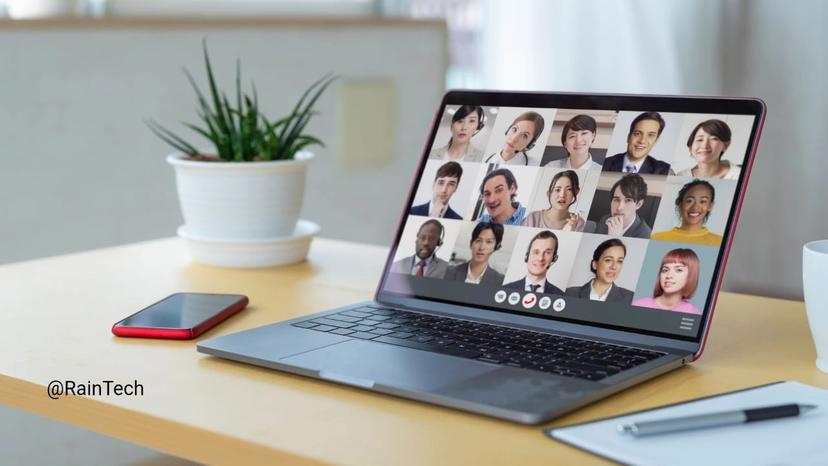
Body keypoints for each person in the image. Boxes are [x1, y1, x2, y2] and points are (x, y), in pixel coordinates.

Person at [651, 179, 722, 246]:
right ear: (680, 205)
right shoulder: (656, 238)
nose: (695, 207)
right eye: (689, 201)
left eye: (702, 201)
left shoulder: (719, 242)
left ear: (710, 206)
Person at [633, 248, 702, 315]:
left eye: (679, 270)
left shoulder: (694, 313)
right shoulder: (639, 305)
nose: (669, 275)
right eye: (665, 270)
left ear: (691, 275)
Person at [566, 238, 634, 303]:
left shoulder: (630, 298)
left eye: (619, 261)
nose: (614, 267)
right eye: (608, 260)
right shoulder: (570, 293)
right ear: (595, 264)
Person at [602, 112, 672, 174]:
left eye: (650, 135)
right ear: (628, 137)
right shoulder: (604, 164)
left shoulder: (664, 171)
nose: (642, 141)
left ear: (656, 141)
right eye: (637, 134)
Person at [675, 119, 740, 180]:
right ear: (690, 147)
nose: (705, 145)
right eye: (700, 140)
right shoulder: (680, 177)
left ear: (726, 145)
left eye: (714, 139)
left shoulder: (738, 176)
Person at [503, 230, 564, 294]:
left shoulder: (561, 296)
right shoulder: (505, 290)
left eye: (547, 253)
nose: (540, 258)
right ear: (527, 255)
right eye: (536, 252)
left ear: (554, 258)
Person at [593, 173, 652, 238]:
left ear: (639, 204)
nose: (619, 208)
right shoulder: (605, 220)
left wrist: (615, 238)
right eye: (616, 200)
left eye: (628, 200)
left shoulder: (646, 235)